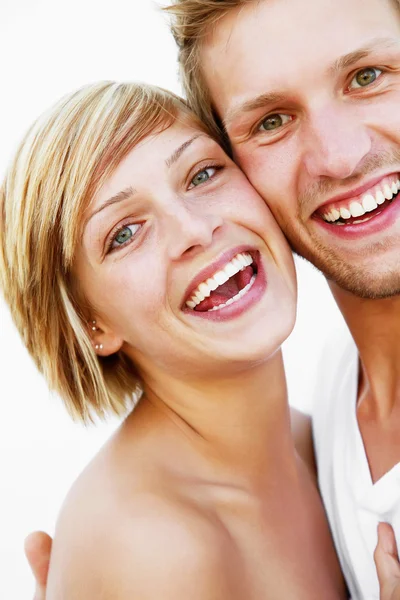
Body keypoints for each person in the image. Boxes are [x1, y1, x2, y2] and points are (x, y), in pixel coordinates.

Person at [1, 81, 346, 598]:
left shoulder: (314, 441)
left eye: (202, 174)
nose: (195, 229)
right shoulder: (156, 546)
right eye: (124, 233)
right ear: (91, 323)